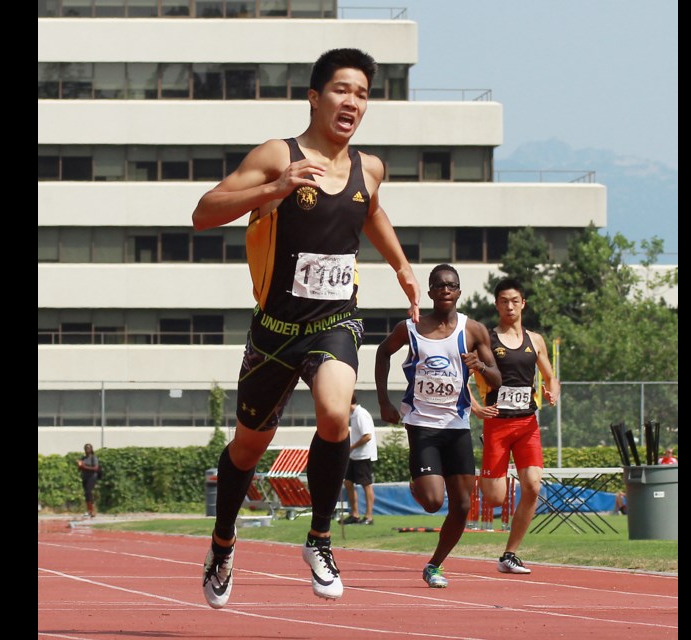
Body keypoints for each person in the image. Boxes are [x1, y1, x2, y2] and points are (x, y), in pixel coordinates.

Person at [191, 48, 420, 609]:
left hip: (335, 322)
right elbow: (204, 211)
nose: (353, 103)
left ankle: (319, 537)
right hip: (273, 329)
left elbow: (371, 212)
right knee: (248, 447)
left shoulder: (370, 168)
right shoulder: (278, 155)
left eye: (363, 94)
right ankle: (222, 543)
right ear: (315, 97)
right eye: (343, 90)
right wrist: (275, 188)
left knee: (336, 412)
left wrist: (401, 265)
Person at [375, 264, 500, 588]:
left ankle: (434, 564)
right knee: (432, 502)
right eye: (439, 285)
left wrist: (482, 366)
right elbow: (382, 352)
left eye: (452, 285)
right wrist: (384, 402)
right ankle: (419, 482)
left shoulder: (474, 331)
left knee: (461, 505)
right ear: (430, 292)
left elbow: (498, 377)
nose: (446, 290)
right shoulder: (411, 328)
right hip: (422, 423)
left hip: (457, 425)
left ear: (459, 292)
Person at [471, 279, 559, 575]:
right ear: (496, 304)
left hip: (527, 424)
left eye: (515, 300)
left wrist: (552, 391)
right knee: (494, 499)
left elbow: (550, 377)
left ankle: (510, 554)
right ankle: (481, 471)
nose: (510, 306)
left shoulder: (535, 341)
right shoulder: (486, 341)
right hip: (496, 424)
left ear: (524, 303)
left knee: (533, 486)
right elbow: (458, 376)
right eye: (504, 301)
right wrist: (474, 406)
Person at [341, 393, 377, 525]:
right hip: (354, 455)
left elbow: (367, 436)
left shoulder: (361, 414)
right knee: (348, 482)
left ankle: (369, 517)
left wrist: (352, 447)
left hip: (363, 455)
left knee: (366, 484)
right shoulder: (354, 415)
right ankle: (354, 514)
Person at [76, 443, 100, 518]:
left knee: (89, 492)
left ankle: (92, 511)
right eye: (86, 448)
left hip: (92, 477)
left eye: (89, 448)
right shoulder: (83, 458)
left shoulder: (93, 458)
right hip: (85, 477)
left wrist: (84, 466)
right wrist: (79, 465)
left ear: (91, 449)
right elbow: (80, 469)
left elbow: (96, 468)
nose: (87, 449)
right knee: (86, 494)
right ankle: (89, 510)